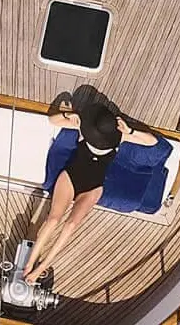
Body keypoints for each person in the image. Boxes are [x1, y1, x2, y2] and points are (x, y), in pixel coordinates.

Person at [23, 99, 161, 285]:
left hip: (93, 187)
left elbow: (152, 142)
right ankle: (28, 264)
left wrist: (130, 131)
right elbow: (53, 121)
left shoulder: (119, 135)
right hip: (71, 177)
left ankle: (41, 267)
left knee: (71, 225)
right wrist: (68, 115)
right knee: (53, 220)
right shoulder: (84, 127)